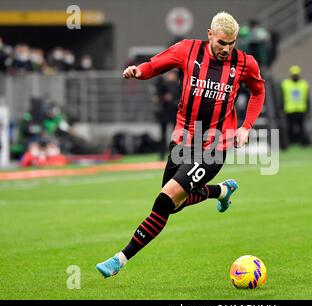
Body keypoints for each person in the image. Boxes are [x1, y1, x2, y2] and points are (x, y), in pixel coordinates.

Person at [96, 11, 265, 278]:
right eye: (222, 43)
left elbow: (258, 92)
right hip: (182, 140)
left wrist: (245, 127)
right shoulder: (187, 50)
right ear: (210, 35)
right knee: (175, 204)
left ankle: (119, 259)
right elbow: (155, 64)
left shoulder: (245, 63)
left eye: (231, 44)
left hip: (214, 145)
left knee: (165, 200)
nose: (226, 49)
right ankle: (220, 192)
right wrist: (139, 71)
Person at [281, 65, 311, 146]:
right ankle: (290, 142)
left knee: (301, 128)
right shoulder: (285, 84)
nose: (295, 76)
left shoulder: (304, 84)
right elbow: (282, 97)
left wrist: (308, 110)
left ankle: (302, 143)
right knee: (289, 128)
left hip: (301, 109)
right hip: (289, 109)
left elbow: (307, 98)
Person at [155, 69, 180, 160]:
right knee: (163, 134)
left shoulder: (178, 86)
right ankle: (161, 155)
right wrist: (162, 98)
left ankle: (175, 154)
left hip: (174, 113)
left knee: (176, 135)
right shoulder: (162, 84)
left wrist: (173, 100)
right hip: (164, 112)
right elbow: (157, 97)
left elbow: (180, 99)